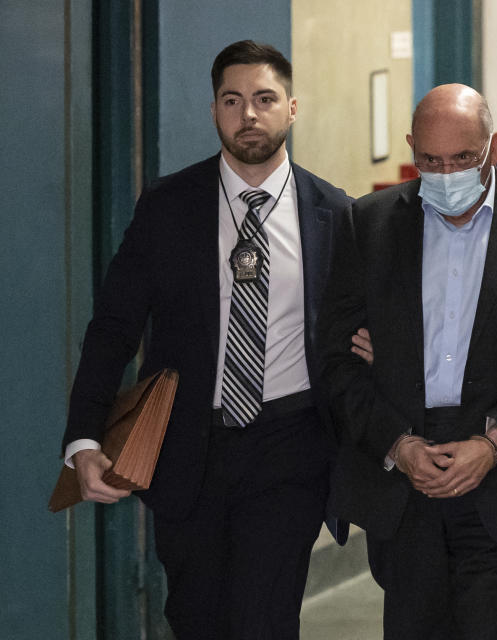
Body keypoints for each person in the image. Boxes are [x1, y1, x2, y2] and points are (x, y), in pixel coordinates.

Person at [59, 40, 351, 639]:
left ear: (291, 109)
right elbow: (114, 325)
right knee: (195, 620)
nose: (249, 114)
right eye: (233, 99)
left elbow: (359, 323)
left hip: (290, 449)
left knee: (263, 621)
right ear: (214, 110)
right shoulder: (168, 206)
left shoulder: (334, 213)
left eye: (265, 99)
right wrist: (84, 436)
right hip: (190, 451)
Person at [320, 84, 497, 640]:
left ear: (493, 148)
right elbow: (335, 359)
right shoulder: (368, 224)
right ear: (411, 150)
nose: (445, 174)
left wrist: (495, 443)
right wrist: (395, 445)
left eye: (461, 159)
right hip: (404, 477)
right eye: (429, 160)